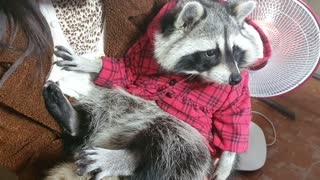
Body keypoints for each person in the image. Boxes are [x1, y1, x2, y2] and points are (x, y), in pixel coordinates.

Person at [0, 0, 167, 179]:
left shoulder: (143, 6)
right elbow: (29, 161)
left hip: (160, 130)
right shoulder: (8, 34)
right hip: (84, 156)